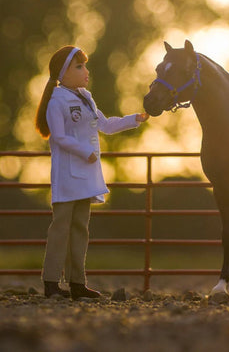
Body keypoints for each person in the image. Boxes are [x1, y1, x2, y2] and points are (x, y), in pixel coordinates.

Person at [35, 45, 149, 299]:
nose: (85, 71)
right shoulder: (57, 100)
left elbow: (106, 125)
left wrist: (134, 119)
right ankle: (51, 282)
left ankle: (77, 282)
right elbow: (60, 137)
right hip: (67, 174)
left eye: (84, 65)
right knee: (60, 227)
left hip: (86, 175)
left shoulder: (86, 98)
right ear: (63, 72)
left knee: (80, 228)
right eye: (79, 66)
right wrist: (83, 151)